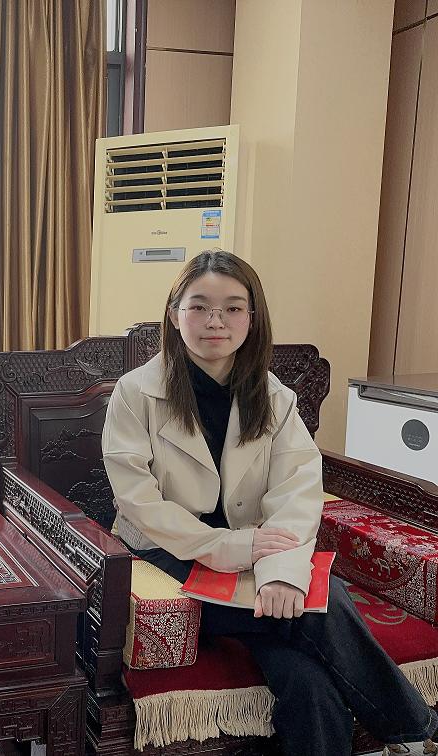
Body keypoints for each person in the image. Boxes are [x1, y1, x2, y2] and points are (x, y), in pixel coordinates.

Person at [101, 250, 437, 755]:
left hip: (257, 556)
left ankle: (411, 731)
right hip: (168, 562)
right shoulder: (134, 394)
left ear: (252, 318)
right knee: (325, 603)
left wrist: (281, 573)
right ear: (174, 314)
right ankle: (415, 728)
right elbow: (139, 503)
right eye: (199, 306)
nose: (216, 321)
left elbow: (298, 489)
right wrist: (234, 549)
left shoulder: (274, 396)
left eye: (233, 308)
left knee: (308, 682)